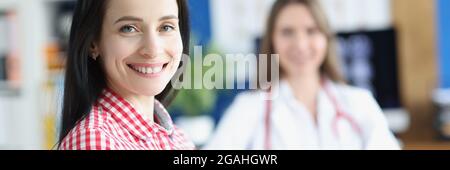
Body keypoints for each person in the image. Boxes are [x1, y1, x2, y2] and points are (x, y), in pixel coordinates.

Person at [204, 0, 400, 150]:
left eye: (311, 31)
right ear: (272, 40)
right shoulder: (250, 108)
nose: (300, 44)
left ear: (326, 37)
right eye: (287, 32)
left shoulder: (358, 103)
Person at [58, 0, 194, 150]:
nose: (153, 50)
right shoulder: (94, 141)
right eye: (129, 28)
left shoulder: (181, 140)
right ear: (93, 43)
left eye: (166, 27)